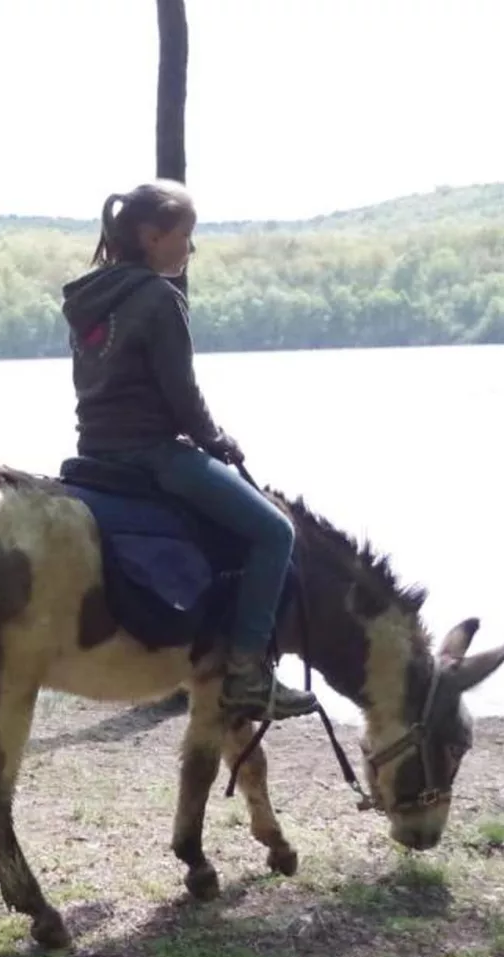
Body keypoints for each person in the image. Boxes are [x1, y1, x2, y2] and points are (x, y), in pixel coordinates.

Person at [61, 179, 322, 720]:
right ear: (151, 236)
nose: (190, 249)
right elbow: (182, 394)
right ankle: (249, 672)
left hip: (94, 454)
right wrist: (216, 439)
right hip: (153, 454)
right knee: (276, 532)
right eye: (186, 236)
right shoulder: (160, 297)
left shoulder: (91, 300)